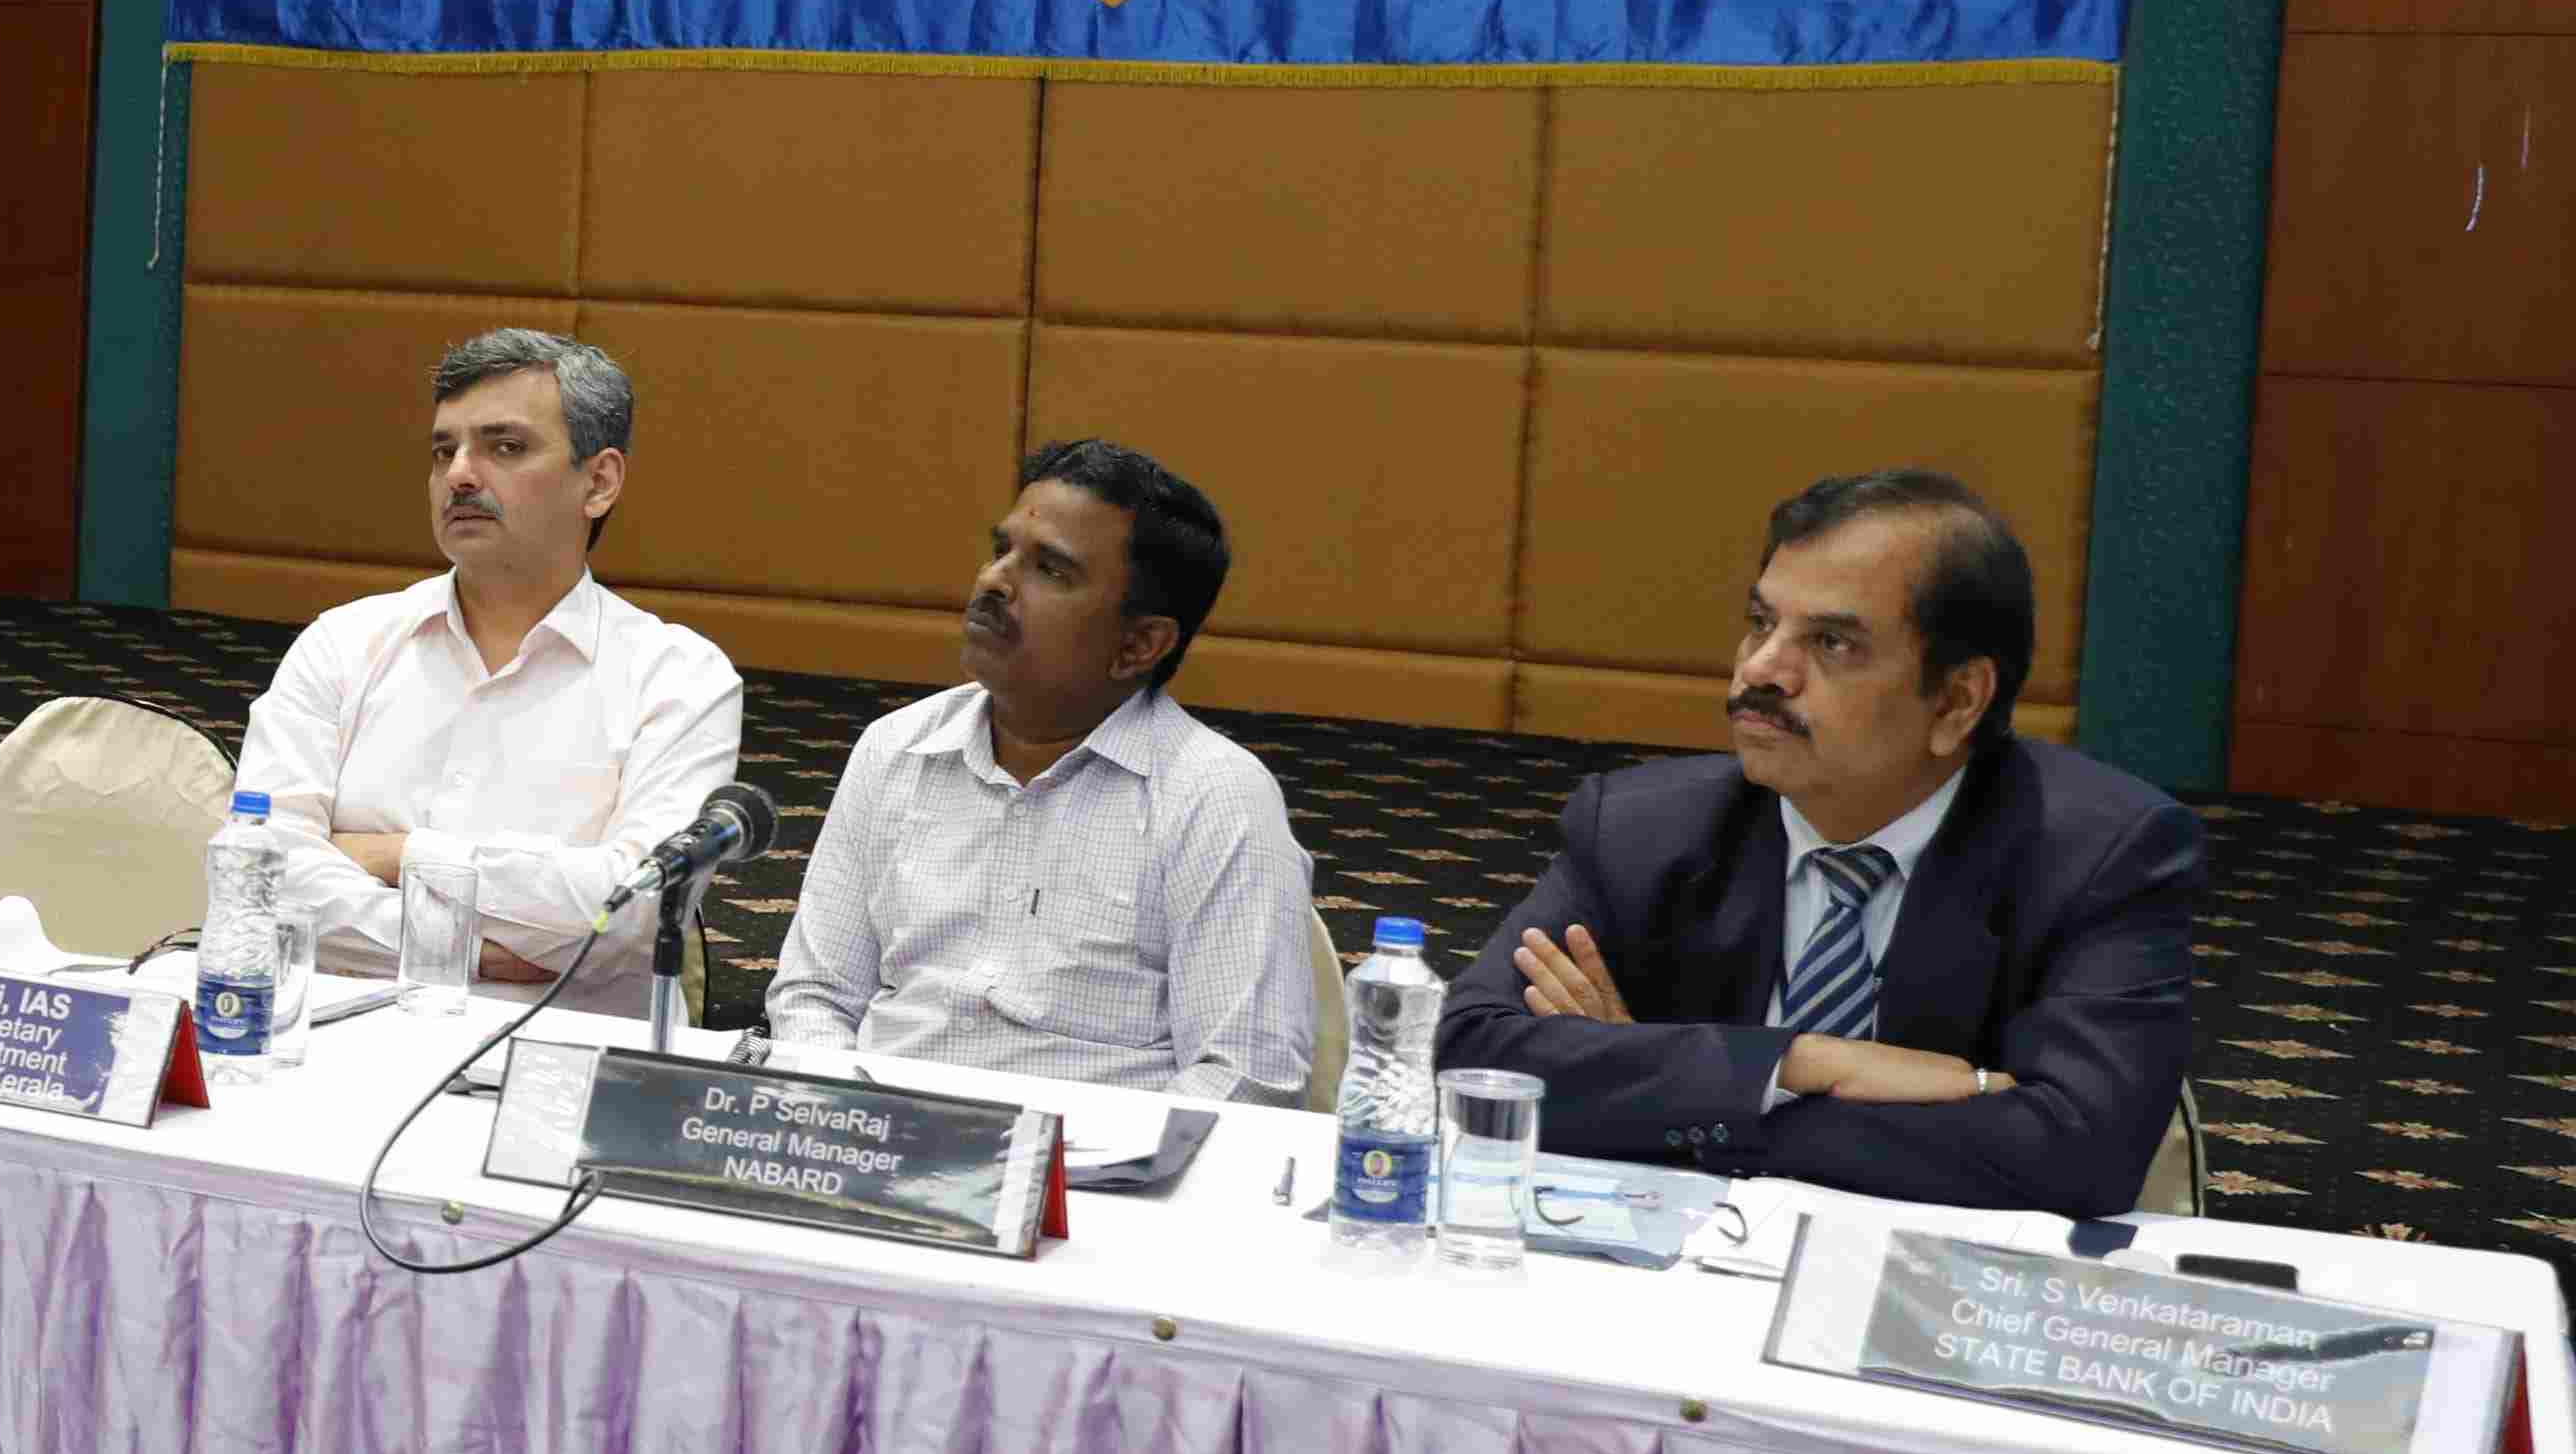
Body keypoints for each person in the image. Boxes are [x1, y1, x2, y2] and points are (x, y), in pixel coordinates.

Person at [1437, 469, 2202, 1216]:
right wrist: (1800, 1063)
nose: (1762, 668)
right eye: (1762, 623)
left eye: (1832, 643)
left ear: (1956, 700)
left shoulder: (2100, 854)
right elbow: (1472, 1057)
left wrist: (1681, 1095)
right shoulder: (1642, 828)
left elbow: (2080, 1152)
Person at [766, 440, 1321, 1102]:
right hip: (882, 1136)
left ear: (1139, 644)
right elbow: (815, 996)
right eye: (1001, 550)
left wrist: (1087, 1157)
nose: (994, 581)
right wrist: (848, 1117)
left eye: (1051, 570)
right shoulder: (895, 749)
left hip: (1093, 1160)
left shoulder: (1215, 797)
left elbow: (1245, 1072)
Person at [226, 327, 746, 1009]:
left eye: (506, 447)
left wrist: (399, 854)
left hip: (558, 1056)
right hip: (336, 1042)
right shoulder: (343, 644)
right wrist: (472, 952)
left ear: (598, 482)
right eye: (445, 451)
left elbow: (634, 912)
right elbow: (257, 875)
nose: (461, 475)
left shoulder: (680, 677)